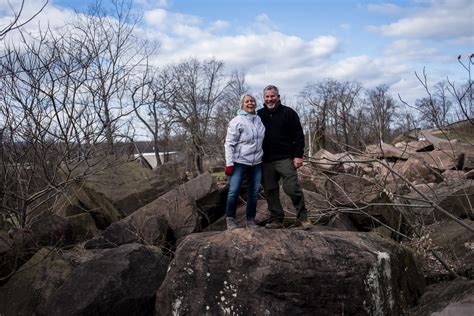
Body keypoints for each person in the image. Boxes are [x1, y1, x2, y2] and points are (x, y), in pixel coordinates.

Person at [257, 85, 311, 229]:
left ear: (278, 97)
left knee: (291, 188)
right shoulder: (258, 115)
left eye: (272, 96)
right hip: (265, 160)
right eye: (267, 97)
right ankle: (276, 219)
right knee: (270, 190)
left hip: (285, 158)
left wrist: (298, 156)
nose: (270, 99)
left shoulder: (289, 113)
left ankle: (303, 218)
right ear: (264, 98)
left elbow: (299, 135)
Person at [224, 93, 265, 230]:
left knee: (253, 192)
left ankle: (250, 221)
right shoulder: (237, 121)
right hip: (240, 162)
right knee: (233, 191)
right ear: (242, 105)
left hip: (257, 162)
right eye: (247, 101)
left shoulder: (258, 120)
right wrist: (229, 163)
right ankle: (230, 219)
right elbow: (229, 144)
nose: (250, 103)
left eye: (252, 101)